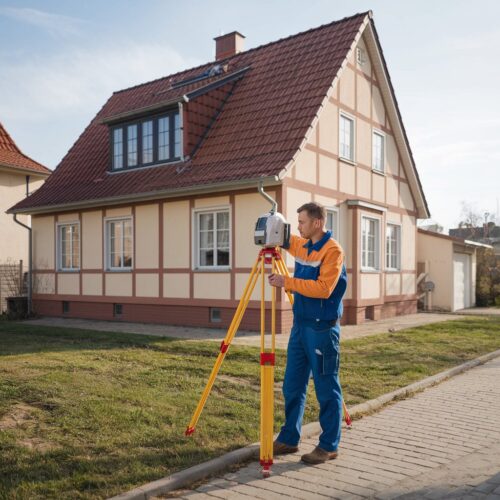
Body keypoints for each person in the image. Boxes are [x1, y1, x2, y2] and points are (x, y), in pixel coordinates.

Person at [268, 201, 347, 464]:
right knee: (292, 385)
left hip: (322, 329)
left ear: (317, 223)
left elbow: (324, 288)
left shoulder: (333, 251)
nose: (298, 226)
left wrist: (287, 282)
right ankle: (290, 438)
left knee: (326, 388)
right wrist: (270, 223)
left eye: (301, 222)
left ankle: (328, 445)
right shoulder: (303, 244)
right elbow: (284, 238)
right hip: (300, 326)